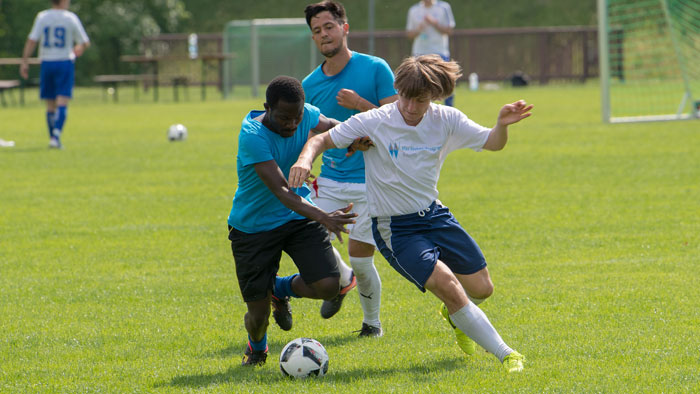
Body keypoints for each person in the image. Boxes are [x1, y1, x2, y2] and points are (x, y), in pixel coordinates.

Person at [289, 55, 533, 372]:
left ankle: (456, 315)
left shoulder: (447, 119)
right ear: (398, 90)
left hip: (434, 215)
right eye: (405, 97)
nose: (411, 107)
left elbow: (492, 143)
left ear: (433, 97)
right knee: (448, 285)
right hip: (395, 228)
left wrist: (501, 125)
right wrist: (304, 160)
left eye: (420, 100)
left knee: (482, 289)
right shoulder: (375, 120)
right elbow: (321, 138)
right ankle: (508, 355)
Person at [228, 76, 358, 366]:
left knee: (328, 285)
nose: (292, 124)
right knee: (258, 316)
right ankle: (258, 348)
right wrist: (325, 217)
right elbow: (282, 192)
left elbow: (332, 126)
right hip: (253, 227)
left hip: (298, 217)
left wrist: (354, 138)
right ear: (267, 108)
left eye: (297, 117)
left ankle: (279, 289)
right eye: (284, 118)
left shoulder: (305, 114)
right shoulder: (252, 135)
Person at [302, 0, 398, 337]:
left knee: (361, 257)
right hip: (330, 180)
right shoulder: (309, 85)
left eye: (329, 26)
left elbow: (396, 125)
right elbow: (311, 132)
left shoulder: (375, 68)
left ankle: (372, 324)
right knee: (309, 240)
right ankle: (344, 280)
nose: (324, 34)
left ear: (344, 28)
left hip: (371, 182)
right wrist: (304, 162)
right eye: (317, 31)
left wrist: (360, 106)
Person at [20, 0, 89, 150]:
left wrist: (25, 61)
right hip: (64, 62)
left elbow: (32, 40)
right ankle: (56, 137)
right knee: (62, 101)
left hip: (47, 62)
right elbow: (84, 42)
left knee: (50, 103)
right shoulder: (70, 18)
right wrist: (79, 48)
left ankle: (53, 138)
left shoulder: (42, 17)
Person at [406, 0, 455, 106]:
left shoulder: (444, 7)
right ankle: (424, 111)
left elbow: (449, 30)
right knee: (419, 85)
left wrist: (434, 23)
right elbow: (409, 33)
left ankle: (450, 111)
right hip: (419, 53)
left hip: (439, 51)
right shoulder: (414, 10)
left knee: (446, 83)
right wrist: (418, 29)